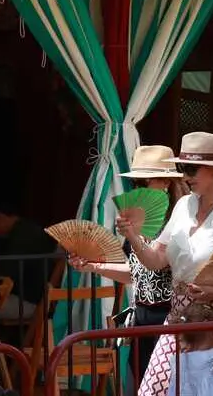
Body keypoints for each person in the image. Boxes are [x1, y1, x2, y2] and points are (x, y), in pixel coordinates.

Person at [122, 132, 213, 396]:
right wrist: (132, 236)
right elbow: (155, 261)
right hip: (177, 321)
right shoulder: (183, 205)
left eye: (191, 168)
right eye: (182, 167)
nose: (185, 175)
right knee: (152, 391)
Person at [68, 145, 185, 379]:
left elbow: (157, 264)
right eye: (135, 184)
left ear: (166, 184)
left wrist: (132, 236)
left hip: (170, 319)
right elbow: (137, 272)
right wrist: (93, 265)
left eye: (143, 183)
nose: (137, 189)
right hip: (142, 317)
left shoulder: (181, 221)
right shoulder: (139, 224)